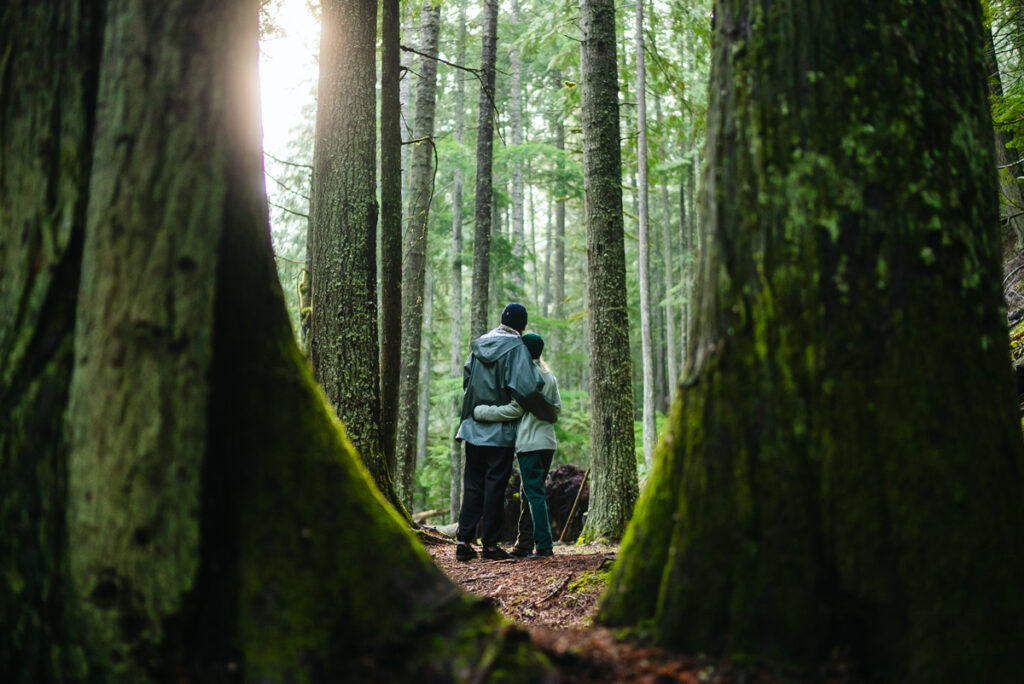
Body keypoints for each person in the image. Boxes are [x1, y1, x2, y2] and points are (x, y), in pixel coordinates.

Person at [454, 304, 558, 562]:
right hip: (500, 432)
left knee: (473, 483)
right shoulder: (517, 349)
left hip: (474, 427)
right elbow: (525, 389)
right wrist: (548, 411)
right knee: (494, 487)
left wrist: (479, 408)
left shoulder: (478, 346)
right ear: (521, 326)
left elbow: (467, 380)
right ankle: (489, 545)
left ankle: (464, 541)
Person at [473, 333, 560, 558]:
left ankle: (544, 544)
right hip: (548, 443)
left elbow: (514, 409)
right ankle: (525, 542)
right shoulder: (549, 376)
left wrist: (482, 412)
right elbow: (556, 409)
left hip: (530, 443)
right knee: (529, 492)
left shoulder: (525, 375)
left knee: (534, 494)